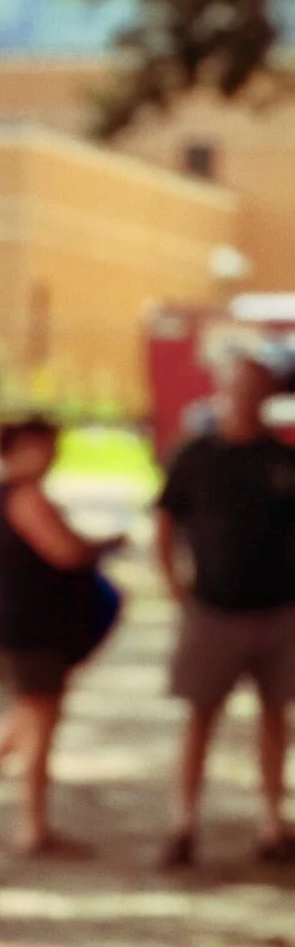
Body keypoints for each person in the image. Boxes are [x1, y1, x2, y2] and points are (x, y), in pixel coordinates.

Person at [0, 415, 125, 855]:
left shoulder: (1, 493)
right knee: (39, 725)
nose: (53, 457)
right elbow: (65, 552)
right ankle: (33, 827)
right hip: (28, 630)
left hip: (18, 628)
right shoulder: (22, 496)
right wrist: (101, 546)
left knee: (27, 716)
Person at [154, 339, 295, 866]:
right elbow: (165, 522)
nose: (244, 396)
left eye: (255, 387)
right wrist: (174, 584)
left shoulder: (282, 460)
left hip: (278, 611)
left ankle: (272, 822)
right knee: (199, 718)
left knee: (275, 718)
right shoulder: (195, 456)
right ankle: (183, 823)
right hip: (213, 608)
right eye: (236, 385)